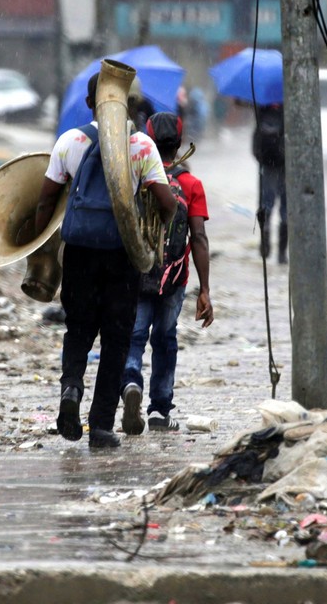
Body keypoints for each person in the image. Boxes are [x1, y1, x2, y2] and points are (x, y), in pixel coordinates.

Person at [34, 73, 177, 450]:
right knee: (116, 339)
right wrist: (155, 230)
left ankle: (70, 389)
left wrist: (39, 252)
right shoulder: (142, 145)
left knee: (78, 330)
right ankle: (100, 426)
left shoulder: (70, 141)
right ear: (131, 106)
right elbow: (167, 204)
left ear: (88, 105)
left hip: (79, 251)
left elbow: (46, 199)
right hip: (122, 253)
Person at [120, 112, 213, 436]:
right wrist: (205, 290)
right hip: (174, 280)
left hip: (137, 272)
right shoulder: (190, 184)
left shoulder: (134, 179)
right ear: (178, 142)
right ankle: (160, 409)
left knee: (133, 336)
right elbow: (198, 238)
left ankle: (131, 380)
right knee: (165, 340)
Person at [251, 103, 287, 264]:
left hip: (267, 162)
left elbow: (256, 138)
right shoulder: (292, 103)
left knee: (266, 203)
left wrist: (261, 157)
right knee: (286, 208)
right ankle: (282, 254)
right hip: (287, 162)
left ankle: (265, 240)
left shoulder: (262, 104)